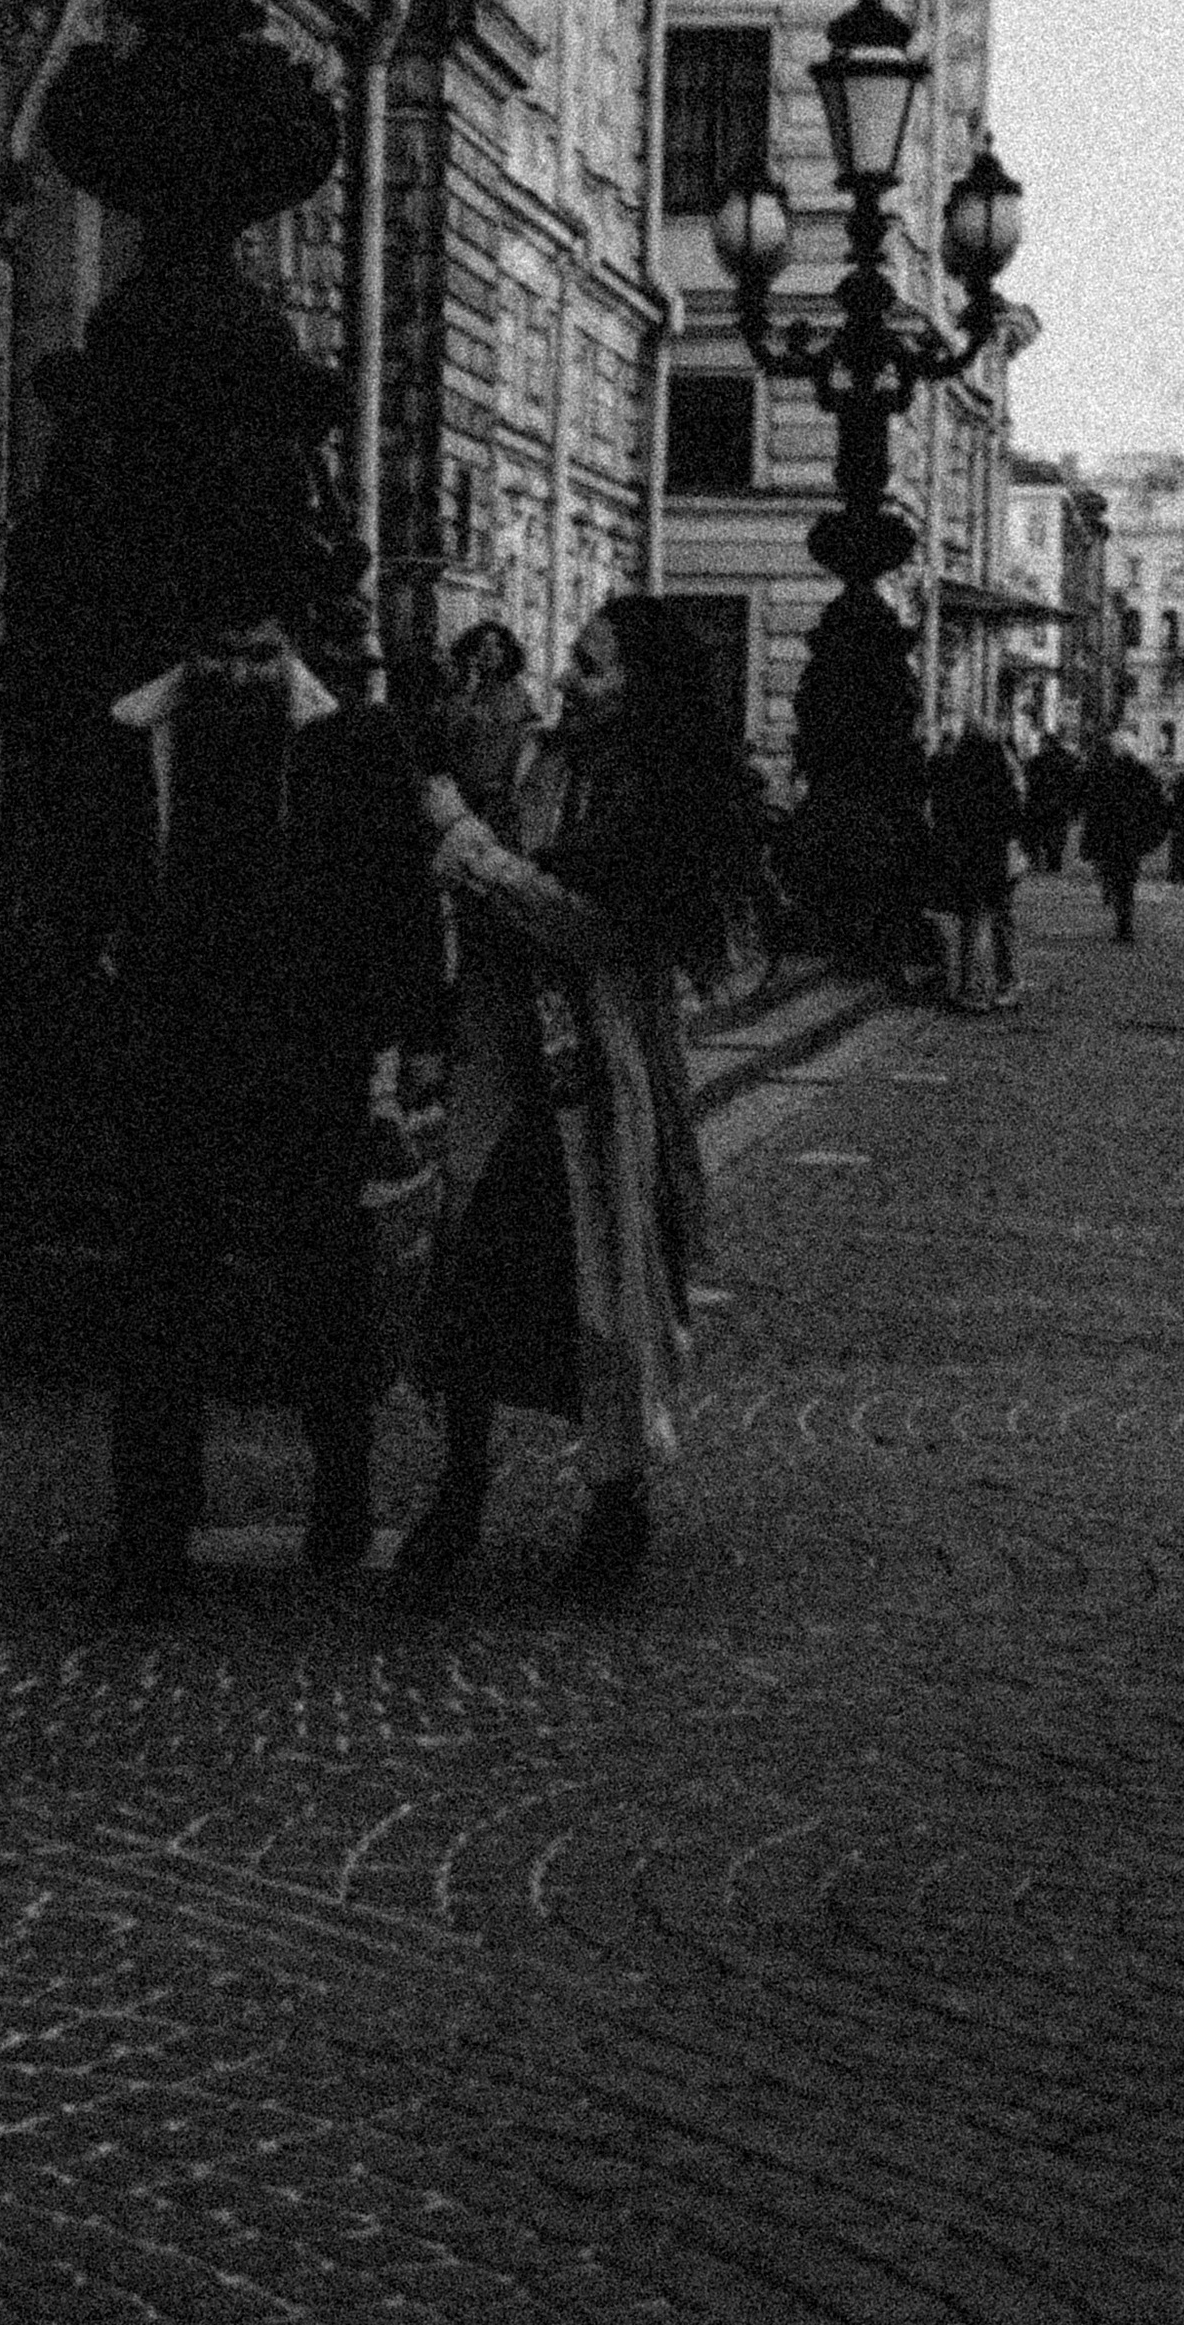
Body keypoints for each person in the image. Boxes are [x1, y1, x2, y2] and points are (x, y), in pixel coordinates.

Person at [94, 552, 446, 1609]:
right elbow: (95, 868)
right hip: (174, 1050)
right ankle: (152, 1522)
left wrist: (417, 1032)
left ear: (291, 651)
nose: (240, 675)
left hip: (306, 1052)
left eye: (261, 654)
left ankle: (340, 1493)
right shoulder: (134, 736)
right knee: (162, 1288)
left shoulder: (352, 740)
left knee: (321, 1286)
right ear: (186, 655)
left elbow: (402, 894)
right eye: (219, 654)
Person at [399, 595, 759, 1600]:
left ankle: (614, 1498)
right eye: (572, 659)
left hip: (595, 1080)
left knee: (605, 1288)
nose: (565, 679)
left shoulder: (660, 799)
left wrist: (466, 845)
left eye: (592, 666)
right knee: (466, 1282)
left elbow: (587, 926)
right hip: (504, 1068)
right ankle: (458, 1492)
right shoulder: (536, 763)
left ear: (643, 686)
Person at [929, 719, 1024, 1011]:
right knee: (1001, 920)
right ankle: (1006, 984)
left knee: (971, 923)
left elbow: (943, 814)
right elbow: (1015, 813)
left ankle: (968, 988)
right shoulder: (1003, 770)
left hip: (968, 856)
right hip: (996, 854)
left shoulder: (954, 770)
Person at [440, 620, 541, 832]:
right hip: (464, 790)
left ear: (506, 652)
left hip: (501, 793)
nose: (489, 651)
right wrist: (468, 688)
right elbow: (450, 735)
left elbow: (527, 734)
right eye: (482, 645)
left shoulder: (515, 691)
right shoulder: (462, 691)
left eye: (496, 645)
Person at [1080, 736, 1168, 945]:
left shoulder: (1105, 774)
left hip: (1110, 834)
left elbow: (1094, 807)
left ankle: (1118, 910)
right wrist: (1152, 834)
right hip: (1132, 836)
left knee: (1113, 872)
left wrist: (1090, 837)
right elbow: (1157, 806)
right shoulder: (1143, 774)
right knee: (1127, 880)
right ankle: (1124, 923)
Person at [1023, 730, 1081, 876]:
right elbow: (1075, 784)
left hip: (1041, 804)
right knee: (1056, 834)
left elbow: (1030, 782)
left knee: (1039, 833)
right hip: (1059, 805)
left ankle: (1039, 861)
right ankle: (1054, 862)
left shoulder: (1036, 761)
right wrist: (1074, 806)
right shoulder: (1068, 760)